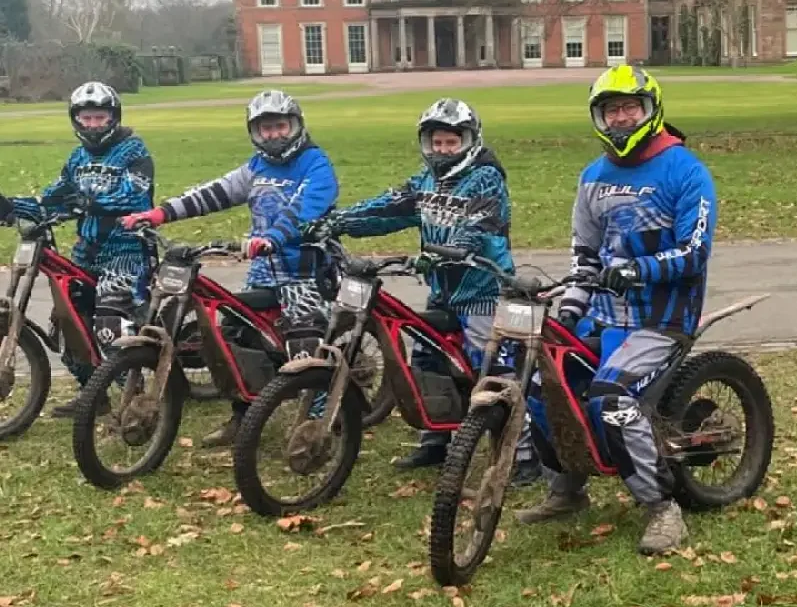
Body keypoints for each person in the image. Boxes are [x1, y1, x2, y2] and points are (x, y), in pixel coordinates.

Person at [517, 64, 717, 556]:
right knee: (541, 380)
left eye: (630, 108)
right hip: (601, 315)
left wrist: (636, 270)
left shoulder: (684, 170)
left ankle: (662, 509)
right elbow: (584, 256)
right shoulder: (593, 177)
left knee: (612, 399)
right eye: (611, 110)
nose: (622, 118)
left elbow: (695, 252)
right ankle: (566, 489)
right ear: (599, 117)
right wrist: (568, 313)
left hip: (663, 318)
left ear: (650, 110)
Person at [328, 98, 534, 477]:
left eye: (451, 142)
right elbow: (387, 208)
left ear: (469, 141)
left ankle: (522, 457)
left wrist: (448, 253)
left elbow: (479, 227)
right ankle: (435, 440)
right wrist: (337, 221)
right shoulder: (425, 182)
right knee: (426, 359)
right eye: (436, 142)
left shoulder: (487, 178)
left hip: (482, 294)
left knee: (493, 372)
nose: (442, 150)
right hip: (442, 292)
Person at [123, 90, 337, 446]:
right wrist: (160, 214)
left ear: (296, 125)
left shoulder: (316, 165)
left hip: (307, 271)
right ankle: (244, 414)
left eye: (280, 126)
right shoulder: (256, 167)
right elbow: (214, 192)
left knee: (303, 338)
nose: (273, 135)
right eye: (265, 128)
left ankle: (322, 421)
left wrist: (272, 237)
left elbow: (302, 211)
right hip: (264, 272)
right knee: (233, 335)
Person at [0, 82, 154, 416]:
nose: (94, 124)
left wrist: (90, 202)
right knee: (66, 322)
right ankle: (93, 397)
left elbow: (134, 196)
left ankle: (136, 398)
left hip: (126, 251)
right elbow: (54, 198)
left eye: (100, 117)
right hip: (87, 252)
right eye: (87, 118)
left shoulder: (134, 152)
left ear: (113, 117)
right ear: (76, 120)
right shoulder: (77, 158)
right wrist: (12, 206)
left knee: (109, 323)